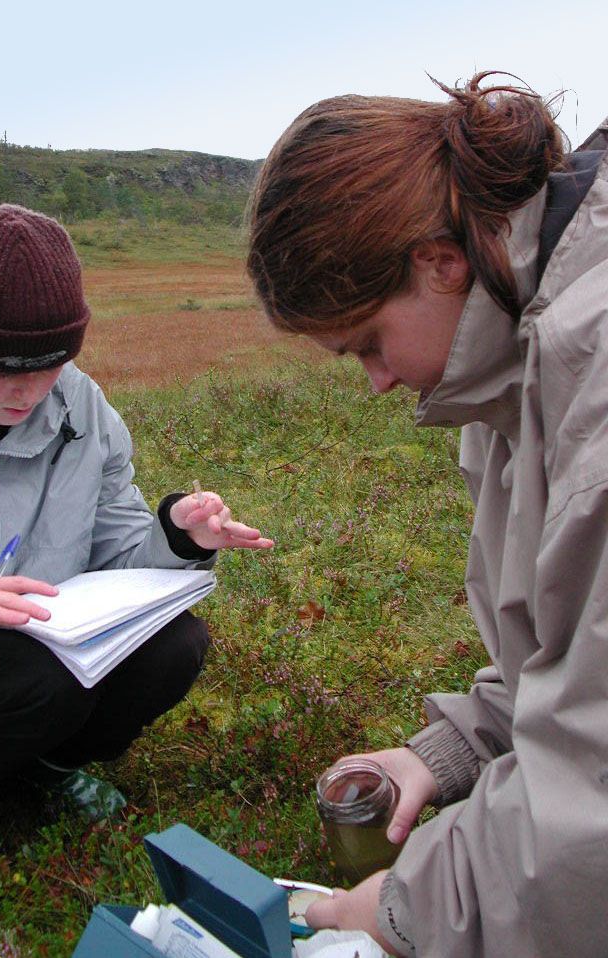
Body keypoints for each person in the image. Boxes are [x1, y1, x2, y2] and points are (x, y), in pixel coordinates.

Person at [247, 72, 608, 957]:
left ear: (439, 261)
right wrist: (446, 754)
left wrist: (404, 911)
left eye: (367, 340)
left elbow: (597, 791)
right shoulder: (507, 369)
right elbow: (569, 660)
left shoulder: (594, 393)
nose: (374, 380)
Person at [0, 203, 273, 881]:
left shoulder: (83, 408)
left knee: (176, 645)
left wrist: (177, 535)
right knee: (36, 677)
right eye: (0, 367)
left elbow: (117, 546)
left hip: (45, 647)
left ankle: (49, 763)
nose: (27, 391)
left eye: (48, 366)